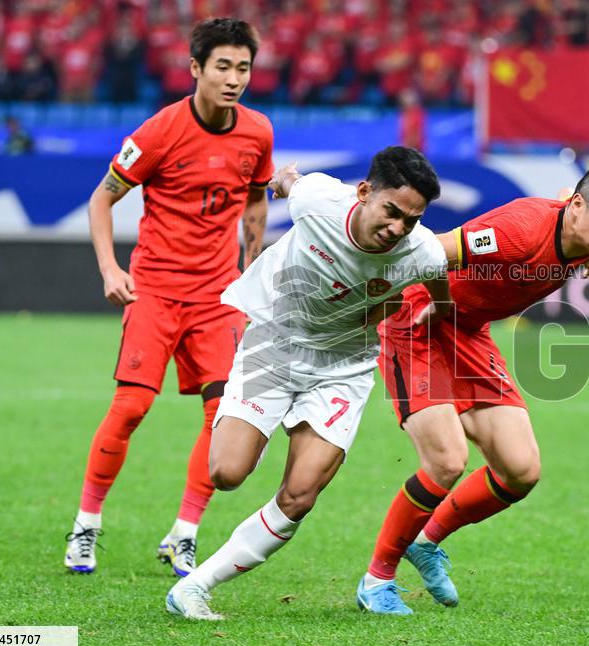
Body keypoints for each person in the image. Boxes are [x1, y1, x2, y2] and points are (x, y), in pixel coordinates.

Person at [165, 147, 452, 621]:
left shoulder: (420, 249)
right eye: (392, 212)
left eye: (412, 219)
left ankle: (195, 587)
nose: (398, 228)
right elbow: (283, 183)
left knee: (299, 495)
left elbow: (438, 276)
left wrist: (435, 309)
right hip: (274, 346)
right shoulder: (317, 200)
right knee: (227, 473)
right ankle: (253, 431)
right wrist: (280, 181)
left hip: (343, 367)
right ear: (363, 193)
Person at [356, 163, 589, 614]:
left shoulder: (577, 229)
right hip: (416, 315)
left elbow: (570, 194)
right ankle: (377, 579)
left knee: (520, 468)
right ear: (580, 208)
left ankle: (426, 543)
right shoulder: (520, 232)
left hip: (467, 330)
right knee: (447, 460)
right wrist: (439, 303)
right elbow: (433, 250)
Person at [63, 18, 274, 578]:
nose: (233, 79)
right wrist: (110, 269)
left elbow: (255, 204)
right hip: (155, 288)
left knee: (222, 415)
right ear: (196, 69)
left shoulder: (258, 133)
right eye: (222, 67)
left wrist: (249, 276)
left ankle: (184, 533)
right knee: (131, 407)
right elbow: (101, 200)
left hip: (217, 296)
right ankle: (86, 526)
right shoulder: (160, 131)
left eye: (243, 68)